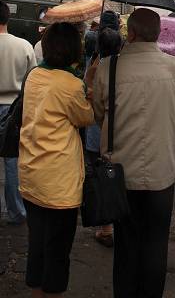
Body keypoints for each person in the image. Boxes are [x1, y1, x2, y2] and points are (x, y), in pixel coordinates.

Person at [93, 8, 175, 298]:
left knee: (126, 242)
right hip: (162, 171)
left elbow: (99, 115)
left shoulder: (108, 67)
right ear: (158, 33)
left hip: (121, 172)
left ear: (130, 33)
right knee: (157, 241)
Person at [18, 22, 94, 298]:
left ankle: (36, 290)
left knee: (37, 240)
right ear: (74, 48)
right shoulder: (72, 84)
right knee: (59, 245)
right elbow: (85, 117)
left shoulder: (34, 76)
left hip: (31, 169)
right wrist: (89, 89)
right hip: (60, 177)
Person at [85, 26, 122, 247]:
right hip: (115, 131)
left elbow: (88, 99)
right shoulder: (122, 67)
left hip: (94, 131)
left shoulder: (93, 67)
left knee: (98, 177)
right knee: (114, 176)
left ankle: (105, 227)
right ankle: (114, 222)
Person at [0, 0, 36, 224]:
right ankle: (16, 212)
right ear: (8, 18)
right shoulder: (24, 46)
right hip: (13, 109)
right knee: (12, 161)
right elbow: (33, 80)